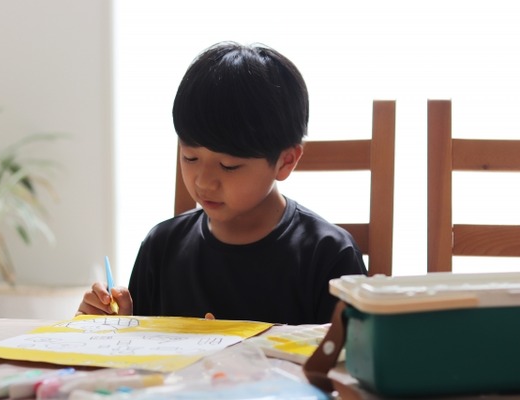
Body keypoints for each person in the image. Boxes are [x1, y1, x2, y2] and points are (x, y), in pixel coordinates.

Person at [77, 41, 367, 324]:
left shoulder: (329, 256)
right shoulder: (161, 248)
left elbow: (355, 354)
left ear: (285, 161)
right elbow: (139, 347)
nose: (203, 182)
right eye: (190, 157)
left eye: (228, 166)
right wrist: (116, 324)